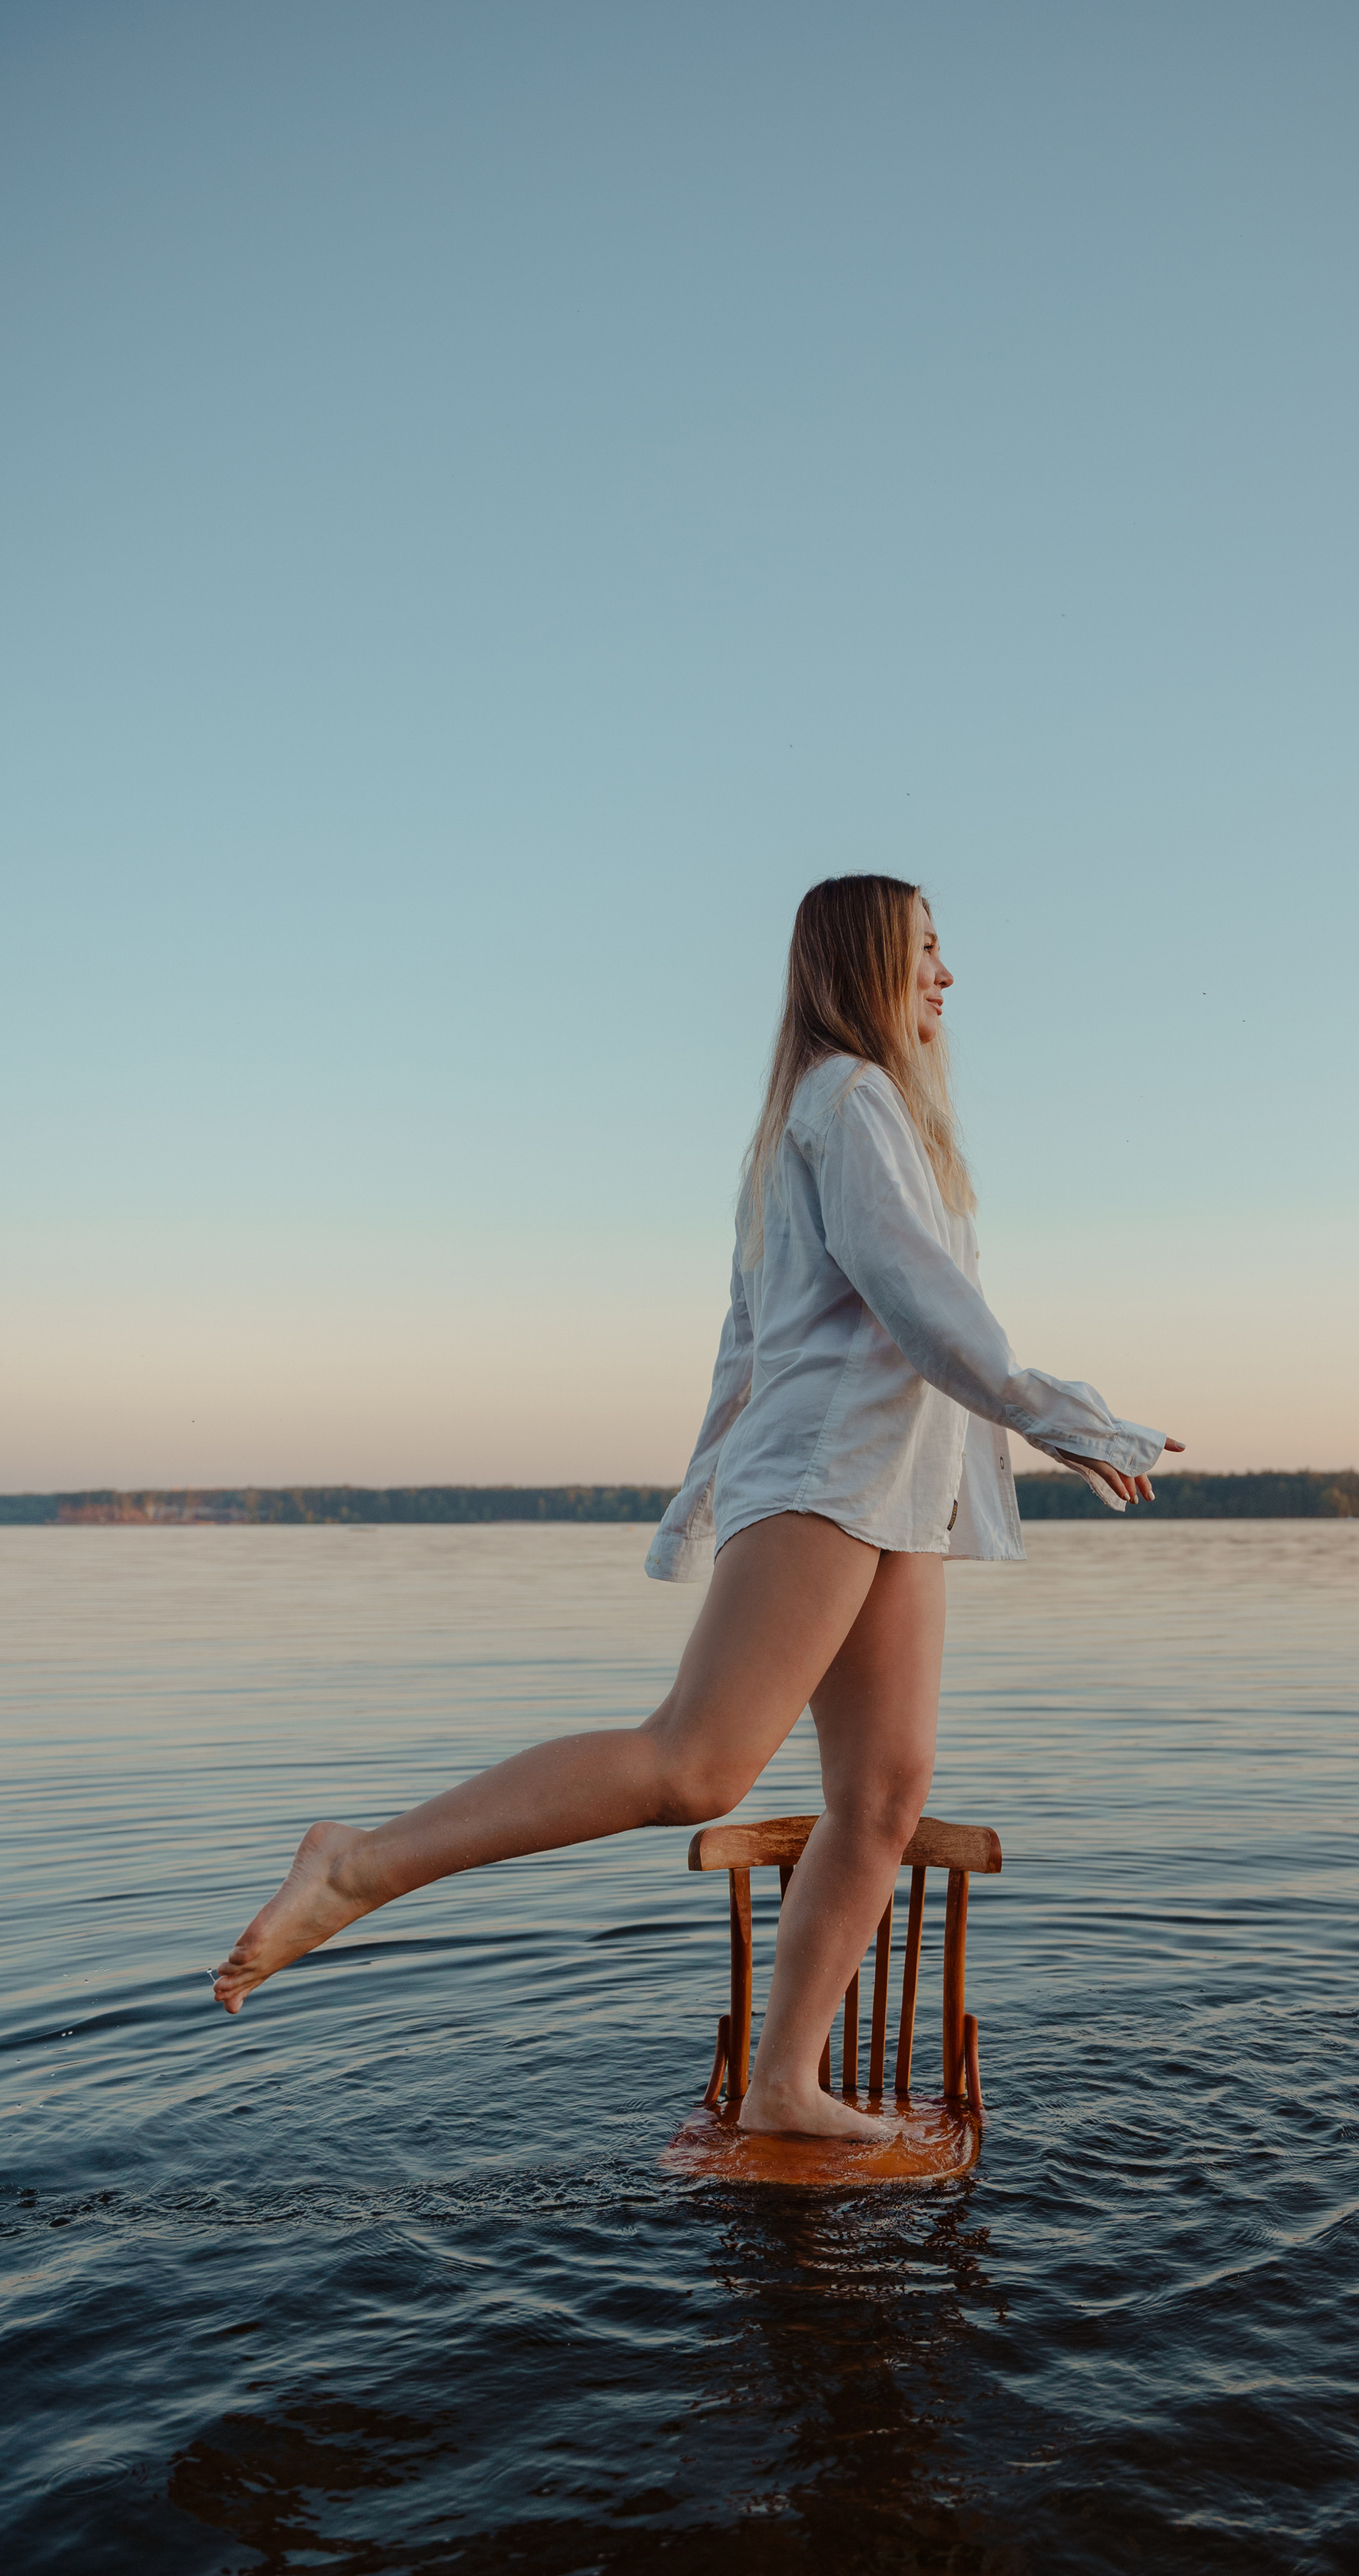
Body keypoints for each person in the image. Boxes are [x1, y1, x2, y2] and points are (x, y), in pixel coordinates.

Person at [213, 876, 1183, 2140]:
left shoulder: (843, 1113)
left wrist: (702, 1493)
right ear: (866, 961)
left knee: (884, 1795)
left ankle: (783, 2085)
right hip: (833, 1473)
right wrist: (1069, 1420)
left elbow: (749, 1336)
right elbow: (923, 1306)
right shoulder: (849, 1099)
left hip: (896, 1487)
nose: (948, 976)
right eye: (926, 951)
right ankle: (356, 1862)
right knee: (696, 1766)